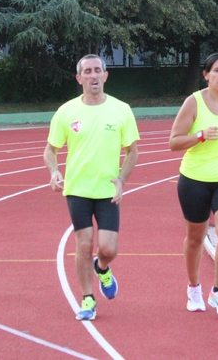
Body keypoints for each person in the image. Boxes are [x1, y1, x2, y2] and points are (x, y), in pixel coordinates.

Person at [43, 54, 140, 321]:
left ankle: (103, 267)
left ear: (106, 76)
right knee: (83, 244)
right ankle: (87, 299)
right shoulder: (66, 111)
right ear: (79, 78)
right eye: (88, 72)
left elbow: (133, 151)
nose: (93, 76)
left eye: (98, 70)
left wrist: (121, 179)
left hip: (107, 190)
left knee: (108, 248)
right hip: (77, 190)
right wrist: (54, 172)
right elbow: (50, 150)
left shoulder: (121, 110)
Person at [169, 53, 218, 317]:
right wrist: (200, 136)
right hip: (194, 179)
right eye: (217, 70)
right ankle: (194, 288)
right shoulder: (193, 103)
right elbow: (174, 141)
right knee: (195, 238)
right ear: (206, 74)